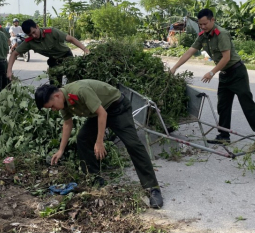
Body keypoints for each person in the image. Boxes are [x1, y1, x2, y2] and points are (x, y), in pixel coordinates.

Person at [35, 80, 163, 209]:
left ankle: (152, 188)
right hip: (98, 113)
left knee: (133, 144)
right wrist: (61, 150)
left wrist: (99, 141)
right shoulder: (63, 102)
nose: (53, 110)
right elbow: (68, 123)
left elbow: (103, 113)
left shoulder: (79, 90)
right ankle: (94, 180)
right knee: (83, 138)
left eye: (51, 106)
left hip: (117, 108)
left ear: (57, 96)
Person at [170, 9, 255, 144]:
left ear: (212, 20)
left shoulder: (221, 34)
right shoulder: (203, 36)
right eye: (200, 25)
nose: (203, 27)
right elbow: (189, 52)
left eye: (205, 24)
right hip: (224, 75)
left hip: (237, 72)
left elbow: (226, 58)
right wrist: (175, 67)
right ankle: (224, 136)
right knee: (223, 106)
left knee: (247, 104)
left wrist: (211, 73)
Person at [7, 19, 90, 85]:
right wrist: (9, 71)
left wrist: (85, 50)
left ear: (37, 26)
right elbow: (14, 54)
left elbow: (71, 39)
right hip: (53, 60)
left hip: (66, 56)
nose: (34, 36)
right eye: (30, 35)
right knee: (54, 87)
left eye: (34, 32)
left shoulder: (51, 32)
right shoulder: (29, 42)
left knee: (74, 83)